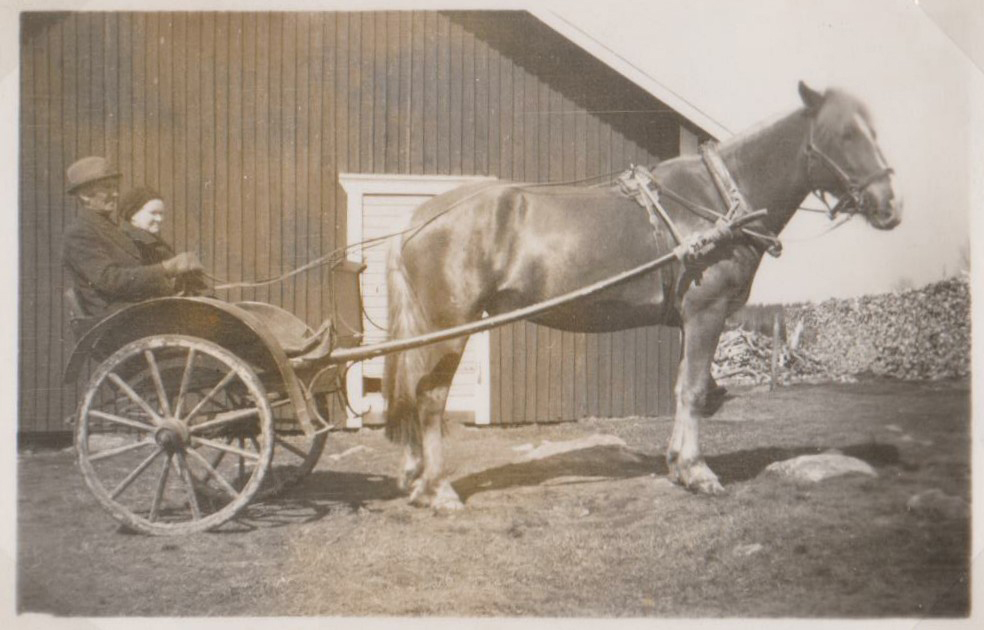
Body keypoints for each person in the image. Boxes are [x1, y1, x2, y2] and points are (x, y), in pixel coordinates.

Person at [61, 156, 203, 334]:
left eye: (115, 187)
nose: (115, 193)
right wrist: (166, 268)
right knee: (208, 320)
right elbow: (110, 279)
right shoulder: (80, 233)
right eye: (107, 188)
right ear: (84, 194)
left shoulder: (109, 227)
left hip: (135, 311)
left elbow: (136, 272)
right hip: (118, 321)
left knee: (206, 307)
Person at [115, 186, 208, 296]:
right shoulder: (131, 242)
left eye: (161, 213)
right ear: (132, 214)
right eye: (153, 213)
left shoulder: (151, 240)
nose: (159, 219)